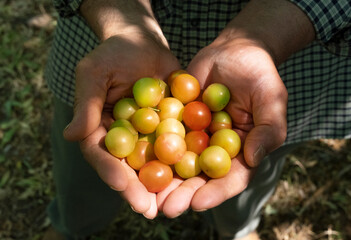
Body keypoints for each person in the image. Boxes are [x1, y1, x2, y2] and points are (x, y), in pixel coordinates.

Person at [43, 0, 351, 239]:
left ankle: (238, 228)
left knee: (253, 164)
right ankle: (72, 225)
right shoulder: (142, 117)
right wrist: (125, 24)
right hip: (106, 58)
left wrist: (261, 36)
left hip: (281, 68)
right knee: (81, 176)